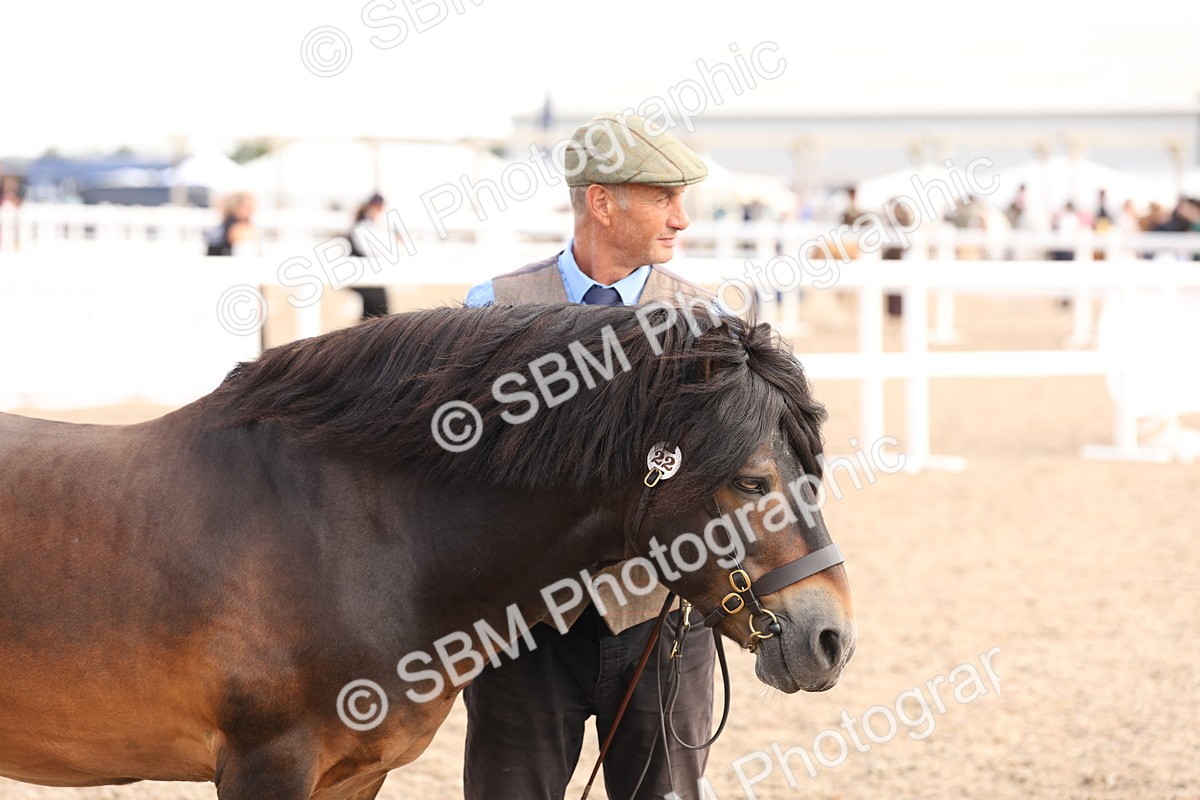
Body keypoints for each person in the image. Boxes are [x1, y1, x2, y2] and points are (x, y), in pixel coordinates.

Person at [463, 112, 717, 800]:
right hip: (524, 631)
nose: (682, 219)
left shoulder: (708, 325)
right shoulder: (492, 309)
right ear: (602, 202)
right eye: (664, 197)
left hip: (660, 625)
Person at [347, 193, 390, 319]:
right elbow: (372, 251)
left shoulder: (371, 225)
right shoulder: (361, 227)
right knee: (377, 309)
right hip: (363, 274)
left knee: (373, 312)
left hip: (370, 274)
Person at [205, 192, 256, 256]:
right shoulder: (238, 228)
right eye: (248, 207)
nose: (252, 210)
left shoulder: (223, 226)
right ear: (237, 207)